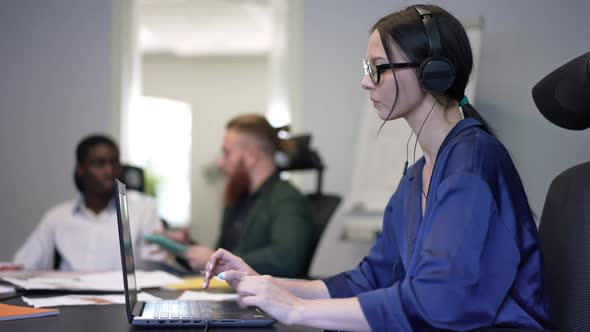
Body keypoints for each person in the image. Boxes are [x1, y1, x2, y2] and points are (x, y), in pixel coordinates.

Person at [201, 5, 552, 331]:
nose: (365, 81)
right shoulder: (416, 178)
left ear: (432, 73)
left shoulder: (472, 162)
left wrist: (296, 309)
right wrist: (265, 284)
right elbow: (368, 279)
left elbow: (439, 299)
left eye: (377, 68)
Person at [167, 114, 314, 278]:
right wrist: (185, 247)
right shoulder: (237, 198)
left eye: (227, 153)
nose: (220, 163)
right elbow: (222, 252)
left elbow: (287, 259)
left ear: (251, 156)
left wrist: (218, 261)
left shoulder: (287, 199)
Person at [14, 135, 164, 271]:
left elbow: (159, 267)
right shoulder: (57, 217)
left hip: (122, 299)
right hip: (69, 298)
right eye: (99, 164)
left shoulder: (144, 210)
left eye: (114, 163)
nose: (109, 171)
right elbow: (23, 265)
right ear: (80, 169)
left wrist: (170, 252)